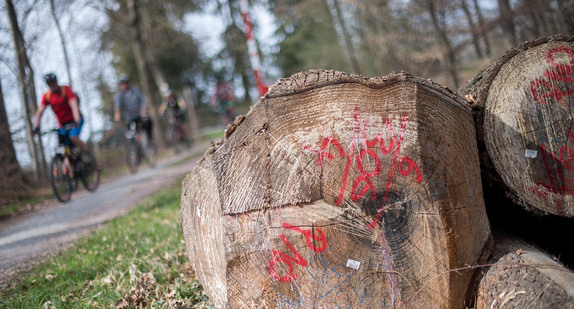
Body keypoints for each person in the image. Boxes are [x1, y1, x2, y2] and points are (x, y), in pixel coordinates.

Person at [113, 75, 153, 141]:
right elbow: (117, 106)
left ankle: (150, 140)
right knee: (129, 134)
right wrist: (117, 115)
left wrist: (143, 111)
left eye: (125, 83)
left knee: (149, 121)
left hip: (139, 115)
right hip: (129, 118)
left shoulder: (135, 90)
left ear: (128, 83)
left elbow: (143, 100)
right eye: (122, 84)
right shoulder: (119, 95)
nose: (124, 85)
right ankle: (134, 148)